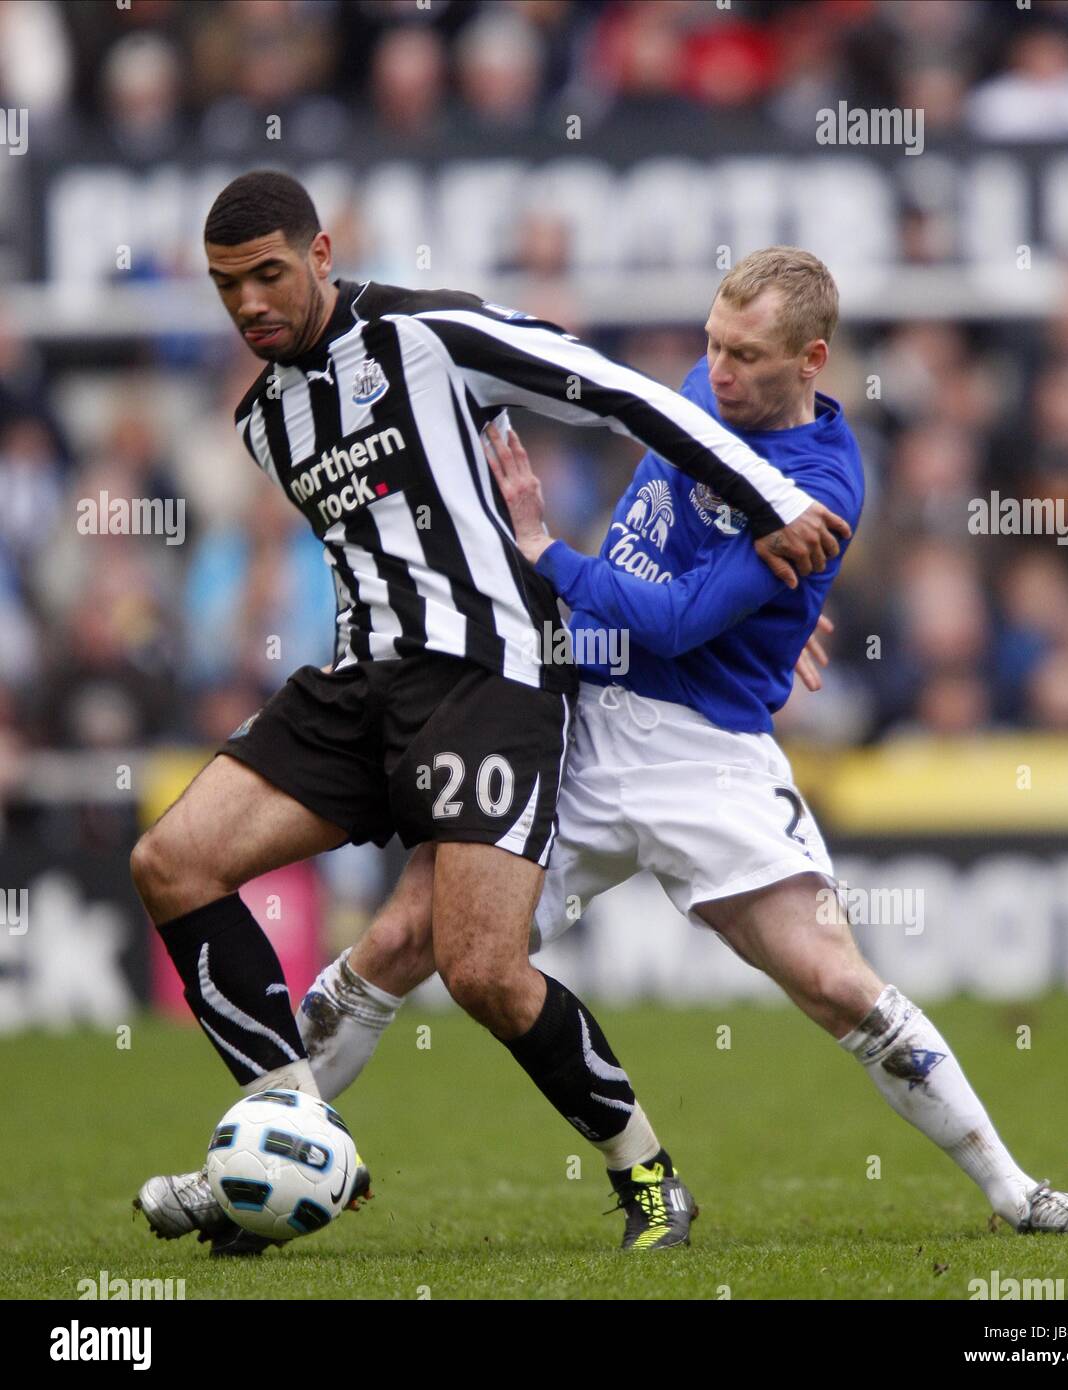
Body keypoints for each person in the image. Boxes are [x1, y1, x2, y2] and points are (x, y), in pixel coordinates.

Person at [141, 246, 1068, 1253]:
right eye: (711, 343)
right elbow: (655, 542)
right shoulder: (704, 394)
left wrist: (542, 552)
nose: (718, 370)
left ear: (812, 359)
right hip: (582, 723)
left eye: (745, 355)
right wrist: (778, 613)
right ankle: (254, 1167)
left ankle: (1017, 1190)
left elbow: (675, 621)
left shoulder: (819, 482)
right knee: (398, 944)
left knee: (833, 981)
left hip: (707, 759)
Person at [131, 175, 851, 1255]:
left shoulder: (429, 334)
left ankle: (647, 1177)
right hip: (356, 682)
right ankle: (291, 1138)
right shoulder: (265, 420)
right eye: (227, 285)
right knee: (171, 862)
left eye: (269, 273)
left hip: (488, 677)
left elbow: (612, 389)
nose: (249, 303)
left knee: (481, 968)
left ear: (322, 254)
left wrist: (772, 497)